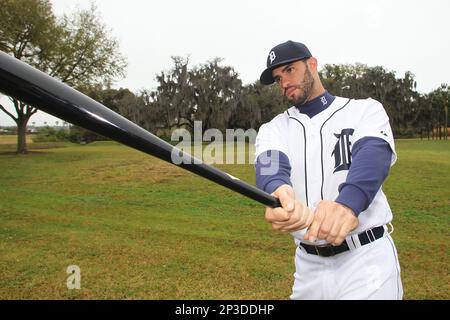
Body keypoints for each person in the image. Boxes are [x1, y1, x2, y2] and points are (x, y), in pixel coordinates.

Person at [255, 40, 403, 300]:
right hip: (308, 267)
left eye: (289, 70)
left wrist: (347, 204)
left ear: (311, 64)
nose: (284, 82)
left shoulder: (364, 110)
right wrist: (283, 196)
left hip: (366, 259)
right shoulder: (273, 128)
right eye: (278, 78)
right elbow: (270, 166)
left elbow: (373, 155)